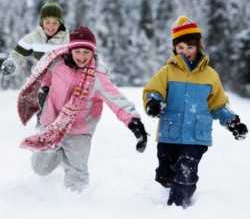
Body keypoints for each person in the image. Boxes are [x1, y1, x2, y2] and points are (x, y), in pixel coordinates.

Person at [17, 26, 148, 193]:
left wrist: (134, 123)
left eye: (87, 53)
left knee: (77, 173)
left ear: (93, 53)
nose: (82, 57)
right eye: (78, 51)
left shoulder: (97, 76)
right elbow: (45, 78)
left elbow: (117, 100)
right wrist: (43, 90)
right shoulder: (57, 64)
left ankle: (77, 204)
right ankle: (57, 155)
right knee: (40, 168)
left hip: (80, 130)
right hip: (51, 124)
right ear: (70, 50)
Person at [143, 16, 248, 207]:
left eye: (190, 47)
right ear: (174, 48)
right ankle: (172, 184)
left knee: (186, 170)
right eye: (180, 47)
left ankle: (178, 205)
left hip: (196, 136)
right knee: (165, 174)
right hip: (170, 134)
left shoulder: (210, 75)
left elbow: (218, 104)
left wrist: (233, 122)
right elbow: (153, 91)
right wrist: (153, 103)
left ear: (198, 46)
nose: (185, 52)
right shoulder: (167, 72)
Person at [1, 0, 69, 76]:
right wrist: (12, 63)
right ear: (42, 22)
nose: (51, 26)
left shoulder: (67, 40)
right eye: (47, 22)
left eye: (55, 23)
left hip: (61, 80)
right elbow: (18, 54)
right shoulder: (34, 37)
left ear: (60, 24)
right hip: (39, 79)